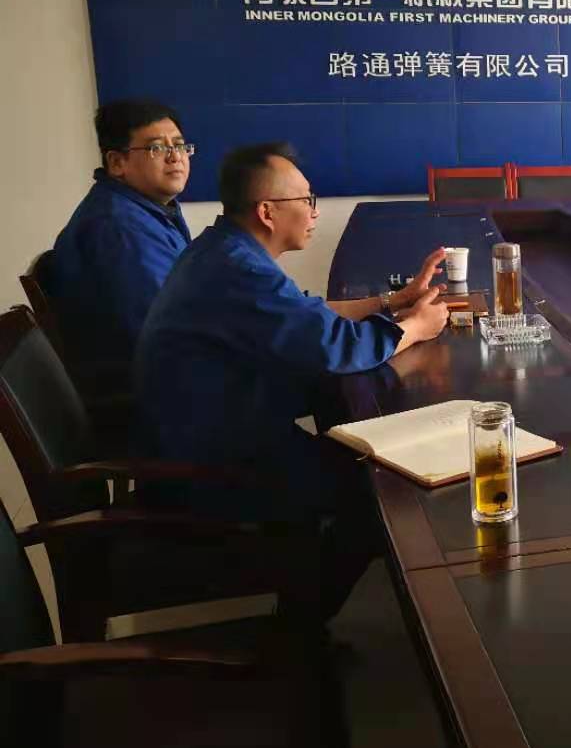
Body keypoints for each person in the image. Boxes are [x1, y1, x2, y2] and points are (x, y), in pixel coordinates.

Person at [134, 142, 450, 619]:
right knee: (379, 493)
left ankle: (306, 598)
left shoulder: (224, 250)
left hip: (215, 434)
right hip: (213, 465)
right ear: (267, 212)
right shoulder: (240, 269)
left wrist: (393, 302)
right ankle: (299, 626)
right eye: (306, 200)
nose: (314, 211)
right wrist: (417, 328)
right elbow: (336, 348)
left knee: (361, 453)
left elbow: (305, 313)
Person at [46, 99, 194, 372]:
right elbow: (170, 332)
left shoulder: (143, 211)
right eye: (156, 148)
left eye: (180, 145)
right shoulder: (119, 228)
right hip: (147, 381)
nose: (175, 157)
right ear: (116, 163)